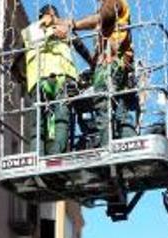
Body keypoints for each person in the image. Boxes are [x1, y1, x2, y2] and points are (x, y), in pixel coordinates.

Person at [59, 0, 137, 147]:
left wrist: (73, 24)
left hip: (112, 62)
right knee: (120, 108)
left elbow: (102, 16)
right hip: (115, 65)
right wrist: (73, 38)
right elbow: (93, 58)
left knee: (102, 101)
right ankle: (128, 145)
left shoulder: (114, 3)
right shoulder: (107, 20)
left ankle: (107, 147)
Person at [21, 4, 82, 156]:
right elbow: (80, 47)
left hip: (43, 81)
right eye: (54, 16)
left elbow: (16, 57)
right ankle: (53, 155)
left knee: (42, 121)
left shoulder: (30, 32)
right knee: (59, 119)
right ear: (47, 16)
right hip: (57, 80)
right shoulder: (35, 30)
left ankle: (41, 155)